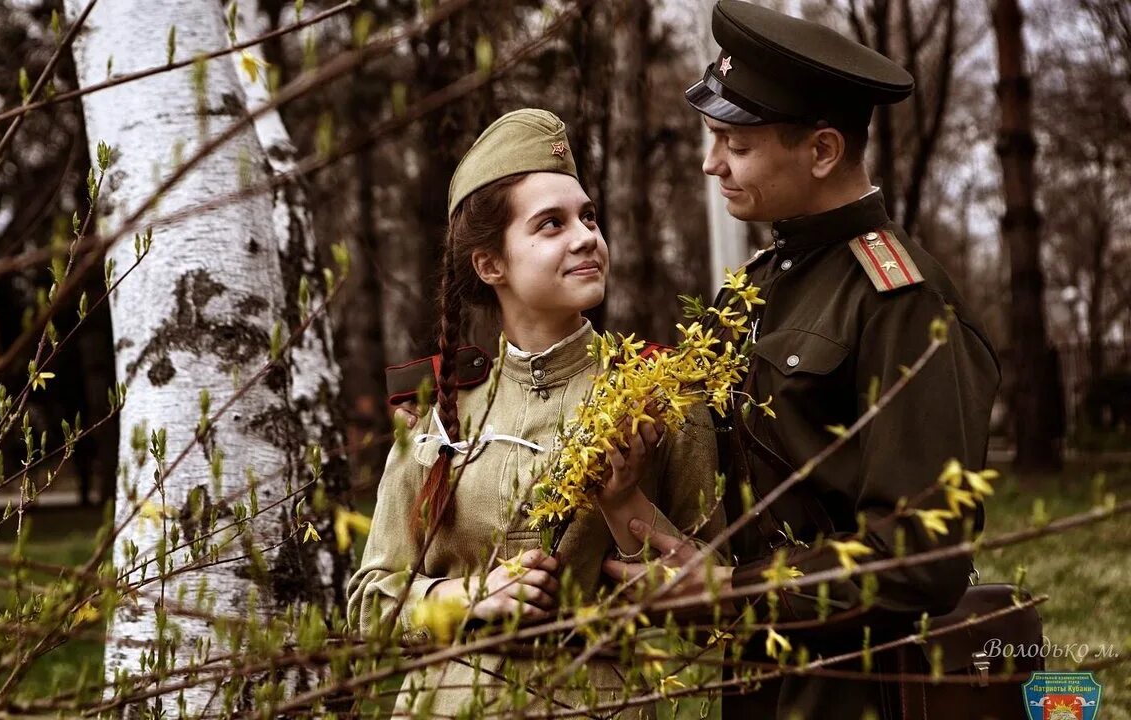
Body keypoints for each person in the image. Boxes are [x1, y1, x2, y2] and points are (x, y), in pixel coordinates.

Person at [602, 2, 1001, 719]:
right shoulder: (754, 288)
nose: (709, 162)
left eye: (735, 143)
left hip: (861, 687)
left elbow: (921, 559)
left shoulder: (902, 302)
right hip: (757, 682)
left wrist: (734, 592)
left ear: (821, 151)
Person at [348, 108, 727, 718]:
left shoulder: (657, 396)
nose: (586, 237)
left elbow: (715, 607)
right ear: (490, 264)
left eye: (589, 218)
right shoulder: (439, 405)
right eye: (551, 225)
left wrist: (626, 509)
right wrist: (470, 598)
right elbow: (370, 604)